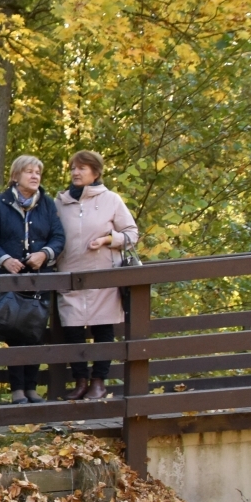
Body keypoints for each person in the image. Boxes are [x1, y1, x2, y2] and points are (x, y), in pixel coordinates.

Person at [0, 154, 66, 404]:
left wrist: (44, 254)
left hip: (39, 279)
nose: (35, 176)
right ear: (16, 176)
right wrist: (4, 259)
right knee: (13, 332)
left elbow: (58, 237)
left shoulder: (47, 205)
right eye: (29, 171)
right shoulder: (0, 203)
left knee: (34, 331)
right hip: (9, 280)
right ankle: (17, 389)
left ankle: (31, 388)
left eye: (38, 172)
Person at [55, 150, 139, 401]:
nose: (75, 172)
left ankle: (98, 383)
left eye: (82, 168)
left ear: (96, 172)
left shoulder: (111, 200)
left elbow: (132, 234)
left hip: (102, 277)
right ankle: (80, 381)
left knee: (103, 329)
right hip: (69, 276)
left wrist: (107, 240)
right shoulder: (60, 201)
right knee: (72, 330)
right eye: (73, 168)